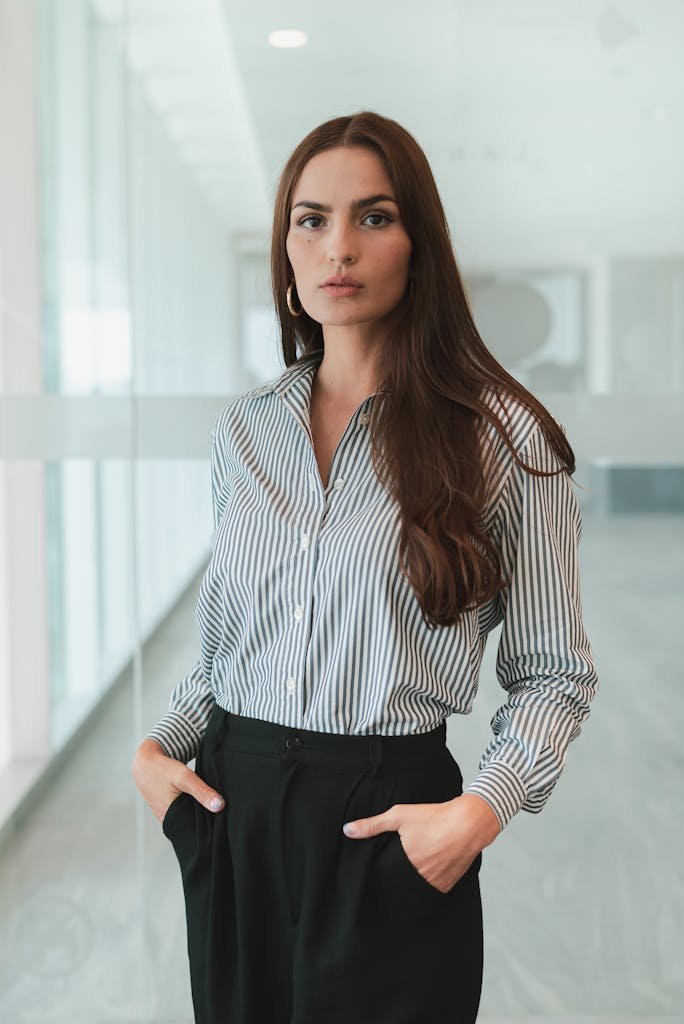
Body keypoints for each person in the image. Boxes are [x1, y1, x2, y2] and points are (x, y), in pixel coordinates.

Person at [131, 110, 599, 1024]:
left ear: (419, 241)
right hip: (236, 807)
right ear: (286, 248)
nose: (338, 246)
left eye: (373, 217)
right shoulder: (245, 431)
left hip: (386, 819)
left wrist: (480, 811)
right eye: (311, 219)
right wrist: (157, 750)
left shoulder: (501, 437)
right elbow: (230, 644)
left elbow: (554, 674)